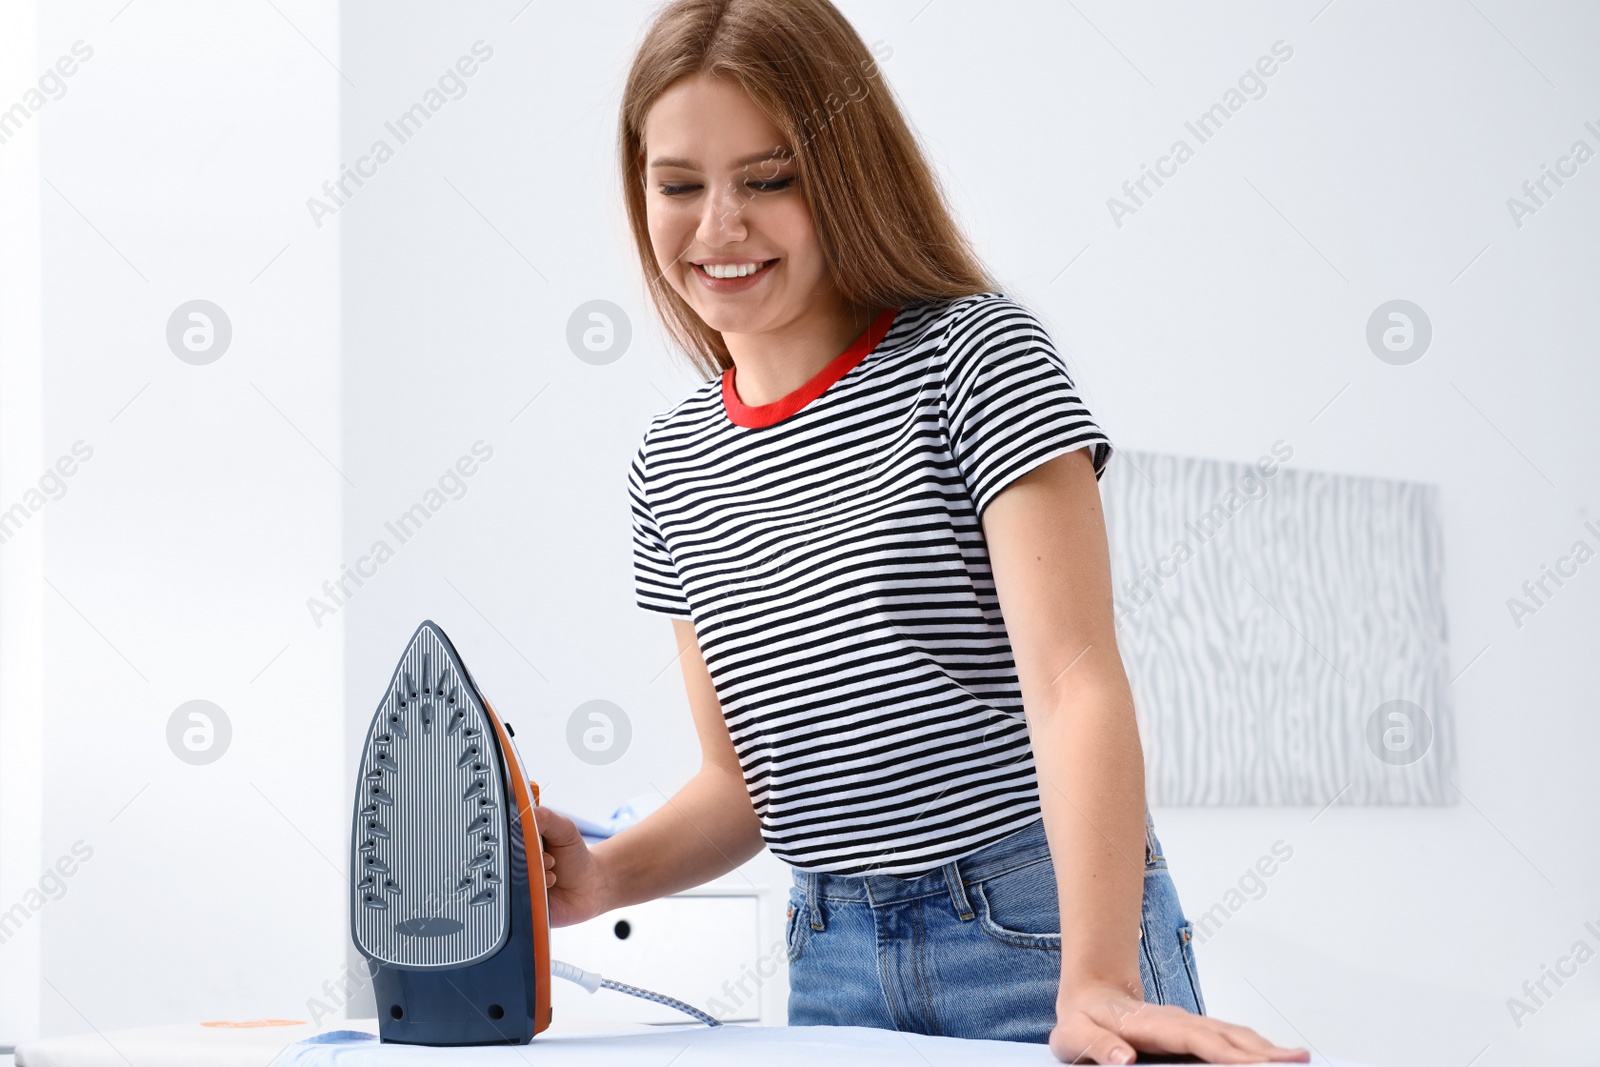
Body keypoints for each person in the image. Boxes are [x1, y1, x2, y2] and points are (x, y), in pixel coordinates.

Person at [532, 2, 1310, 1063]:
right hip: (831, 952)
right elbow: (742, 783)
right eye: (679, 185)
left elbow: (1074, 682)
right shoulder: (669, 464)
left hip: (1033, 931)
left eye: (768, 179)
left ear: (847, 172)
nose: (718, 226)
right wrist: (606, 874)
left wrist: (1096, 976)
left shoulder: (974, 361)